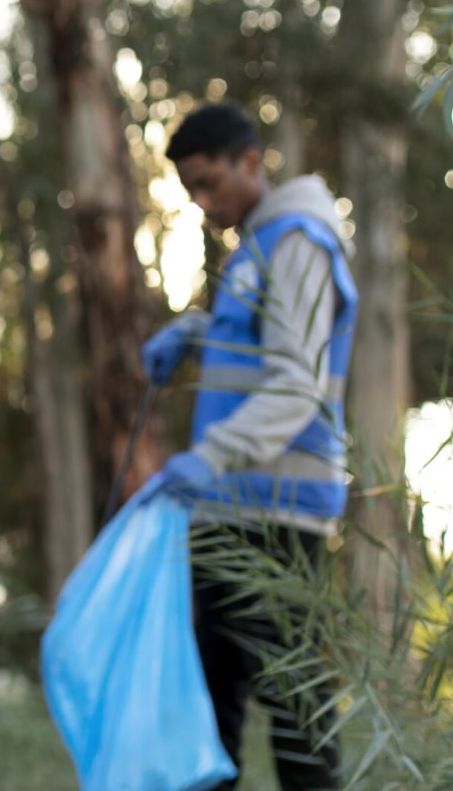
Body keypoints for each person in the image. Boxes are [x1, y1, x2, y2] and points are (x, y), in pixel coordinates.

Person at [143, 103, 354, 789]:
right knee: (212, 712)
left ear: (251, 163)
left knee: (295, 713)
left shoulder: (299, 241)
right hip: (229, 510)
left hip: (277, 516)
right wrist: (199, 333)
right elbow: (261, 351)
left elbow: (296, 383)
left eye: (209, 184)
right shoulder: (255, 249)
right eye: (192, 190)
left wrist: (210, 455)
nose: (203, 203)